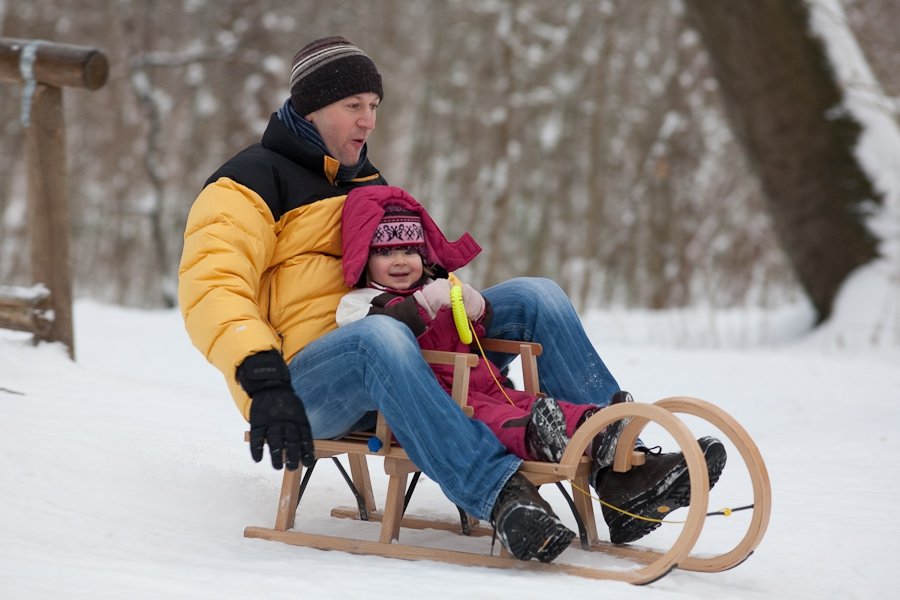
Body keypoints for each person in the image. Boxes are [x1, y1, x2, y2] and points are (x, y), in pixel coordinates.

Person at [178, 35, 726, 562]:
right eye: (353, 105)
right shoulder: (246, 184)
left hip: (398, 353)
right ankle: (499, 494)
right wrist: (263, 378)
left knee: (537, 296)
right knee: (379, 335)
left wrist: (451, 295)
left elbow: (411, 270)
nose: (368, 120)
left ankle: (618, 470)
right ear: (312, 107)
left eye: (374, 105)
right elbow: (213, 288)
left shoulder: (366, 181)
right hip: (303, 383)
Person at [337, 185, 631, 467]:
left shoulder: (434, 288)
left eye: (409, 251)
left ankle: (596, 426)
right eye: (385, 253)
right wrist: (423, 304)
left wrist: (477, 310)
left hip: (482, 384)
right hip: (432, 405)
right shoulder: (361, 302)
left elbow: (470, 335)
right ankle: (539, 438)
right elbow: (374, 340)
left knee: (525, 403)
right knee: (496, 420)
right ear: (364, 258)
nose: (400, 261)